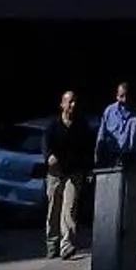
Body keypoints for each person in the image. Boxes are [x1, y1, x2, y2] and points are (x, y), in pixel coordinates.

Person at [44, 90, 93, 260]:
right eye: (70, 102)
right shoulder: (53, 126)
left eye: (75, 102)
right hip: (55, 173)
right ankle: (52, 244)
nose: (73, 105)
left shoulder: (81, 126)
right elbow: (46, 147)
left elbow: (88, 149)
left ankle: (67, 245)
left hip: (74, 172)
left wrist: (87, 170)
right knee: (53, 209)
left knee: (70, 209)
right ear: (62, 104)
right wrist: (49, 156)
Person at [97, 80, 136, 171]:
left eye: (127, 96)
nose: (125, 99)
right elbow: (101, 137)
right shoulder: (109, 111)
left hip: (135, 160)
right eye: (121, 96)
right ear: (117, 96)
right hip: (112, 159)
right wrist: (98, 158)